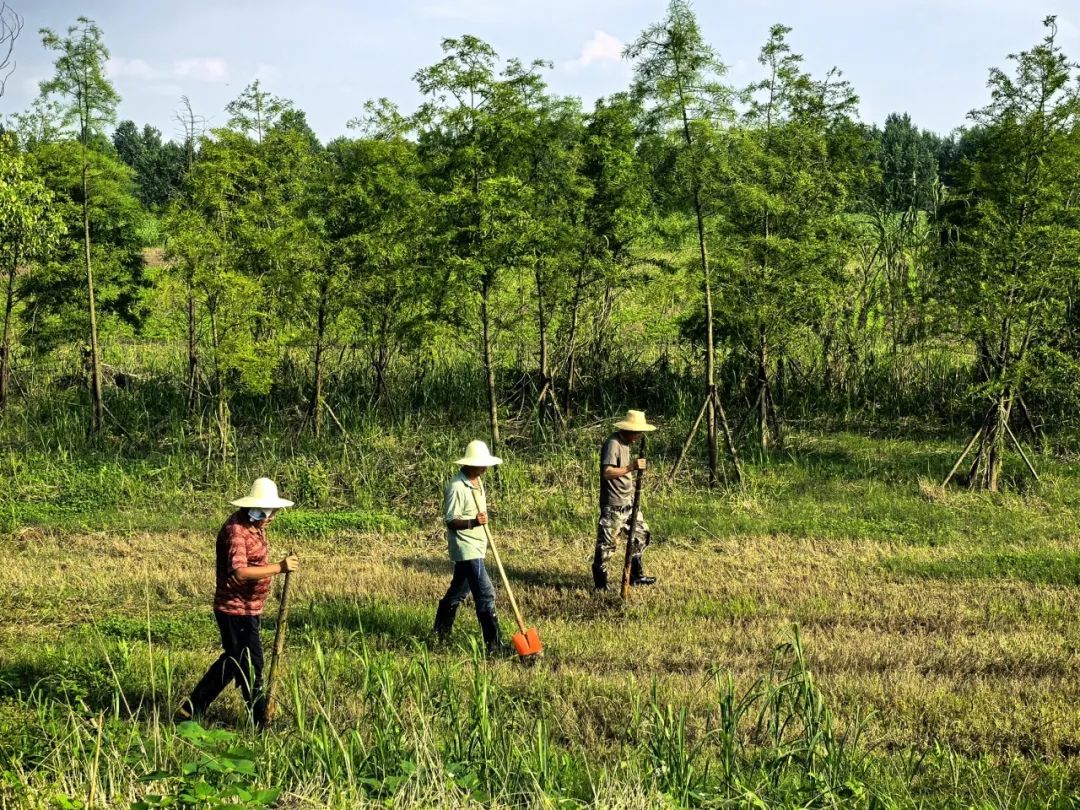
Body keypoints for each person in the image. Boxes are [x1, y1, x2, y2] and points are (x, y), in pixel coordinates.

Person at [175, 478, 299, 726]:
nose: (273, 516)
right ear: (258, 510)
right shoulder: (236, 531)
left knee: (234, 661)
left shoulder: (256, 526)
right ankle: (260, 721)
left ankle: (190, 710)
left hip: (250, 607)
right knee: (251, 664)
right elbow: (240, 572)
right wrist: (279, 567)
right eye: (271, 511)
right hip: (234, 610)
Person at [432, 440, 505, 656]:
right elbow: (450, 520)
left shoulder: (477, 480)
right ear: (470, 464)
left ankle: (439, 634)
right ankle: (494, 647)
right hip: (466, 547)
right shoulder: (456, 486)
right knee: (486, 594)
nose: (485, 468)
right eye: (481, 464)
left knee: (457, 592)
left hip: (478, 544)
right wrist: (473, 522)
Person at [592, 410, 657, 590]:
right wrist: (632, 467)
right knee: (607, 546)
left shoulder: (626, 444)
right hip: (614, 505)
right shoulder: (613, 444)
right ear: (628, 430)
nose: (638, 436)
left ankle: (636, 575)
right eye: (637, 433)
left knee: (641, 535)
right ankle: (601, 585)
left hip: (629, 502)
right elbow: (607, 473)